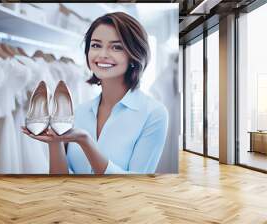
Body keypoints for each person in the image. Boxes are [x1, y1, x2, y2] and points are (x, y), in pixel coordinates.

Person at [22, 12, 168, 174]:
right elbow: (62, 179)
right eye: (96, 45)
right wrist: (55, 142)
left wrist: (85, 142)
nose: (103, 54)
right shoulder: (78, 112)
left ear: (134, 55)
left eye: (116, 47)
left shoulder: (154, 114)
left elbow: (137, 184)